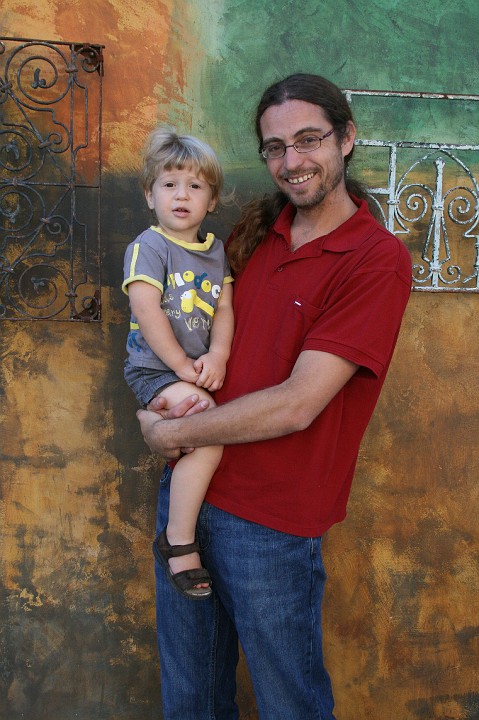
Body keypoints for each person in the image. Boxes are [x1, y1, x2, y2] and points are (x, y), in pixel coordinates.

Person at [137, 74, 412, 719]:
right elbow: (186, 326)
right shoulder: (252, 234)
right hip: (189, 498)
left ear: (346, 138)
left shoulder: (374, 260)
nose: (292, 160)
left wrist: (171, 434)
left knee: (291, 705)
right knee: (192, 702)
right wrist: (162, 398)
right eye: (275, 147)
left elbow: (297, 404)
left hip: (271, 525)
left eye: (309, 139)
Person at [123, 127, 234, 599]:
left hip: (190, 371)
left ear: (212, 199)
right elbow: (146, 311)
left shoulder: (215, 252)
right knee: (208, 430)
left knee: (194, 437)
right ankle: (179, 541)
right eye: (169, 185)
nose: (181, 195)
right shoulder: (148, 247)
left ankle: (160, 428)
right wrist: (183, 367)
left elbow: (224, 309)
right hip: (156, 368)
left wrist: (218, 354)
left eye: (194, 186)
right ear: (151, 196)